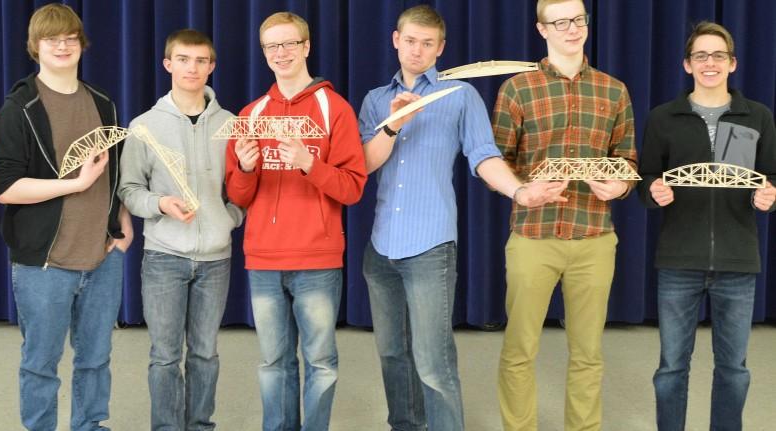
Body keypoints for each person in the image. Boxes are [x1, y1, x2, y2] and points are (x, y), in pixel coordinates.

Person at [357, 5, 566, 431]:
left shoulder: (460, 95)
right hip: (380, 249)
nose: (417, 50)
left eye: (427, 43)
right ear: (396, 40)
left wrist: (520, 191)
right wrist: (394, 124)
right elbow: (363, 165)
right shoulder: (376, 100)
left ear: (441, 49)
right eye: (410, 40)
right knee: (393, 355)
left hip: (431, 248)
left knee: (434, 362)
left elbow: (483, 155)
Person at [0, 4, 132, 430]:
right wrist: (74, 184)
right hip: (44, 263)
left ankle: (89, 425)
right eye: (52, 39)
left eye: (70, 37)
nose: (63, 46)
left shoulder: (102, 102)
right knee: (40, 363)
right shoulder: (20, 107)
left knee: (95, 359)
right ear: (36, 48)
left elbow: (114, 172)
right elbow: (5, 188)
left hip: (102, 256)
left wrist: (122, 224)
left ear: (81, 43)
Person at [492, 0, 637, 429]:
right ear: (542, 29)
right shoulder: (517, 89)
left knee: (588, 354)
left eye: (578, 20)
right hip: (533, 238)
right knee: (519, 350)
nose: (571, 29)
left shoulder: (614, 90)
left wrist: (622, 185)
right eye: (560, 22)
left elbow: (626, 158)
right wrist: (524, 190)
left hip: (594, 237)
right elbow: (495, 161)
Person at [224, 11, 367, 431]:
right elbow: (238, 196)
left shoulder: (333, 109)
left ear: (306, 47)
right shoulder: (250, 115)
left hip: (317, 259)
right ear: (264, 53)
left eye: (289, 44)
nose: (281, 53)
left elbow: (353, 188)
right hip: (263, 260)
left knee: (321, 362)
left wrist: (309, 163)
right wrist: (246, 170)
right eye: (272, 46)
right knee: (273, 363)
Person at [637, 21, 776, 431]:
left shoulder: (758, 117)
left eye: (718, 55)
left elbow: (769, 177)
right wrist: (653, 191)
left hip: (738, 260)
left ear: (732, 64)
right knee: (670, 369)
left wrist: (769, 194)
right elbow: (646, 178)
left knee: (734, 369)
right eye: (701, 56)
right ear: (687, 64)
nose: (709, 63)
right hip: (678, 260)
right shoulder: (664, 118)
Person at [118, 28, 243, 430]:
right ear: (168, 64)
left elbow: (245, 186)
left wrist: (230, 218)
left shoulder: (231, 124)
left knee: (205, 353)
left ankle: (200, 424)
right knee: (165, 355)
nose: (193, 68)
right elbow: (129, 189)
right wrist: (160, 205)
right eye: (184, 59)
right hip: (163, 258)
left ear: (212, 66)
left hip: (215, 260)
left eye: (202, 60)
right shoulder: (144, 126)